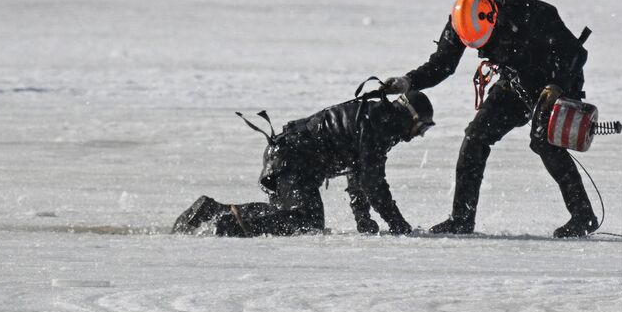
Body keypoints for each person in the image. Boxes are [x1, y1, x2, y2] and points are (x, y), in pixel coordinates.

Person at [380, 0, 596, 237]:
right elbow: (443, 64)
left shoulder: (533, 13)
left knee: (545, 142)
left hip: (556, 76)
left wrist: (556, 88)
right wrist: (408, 81)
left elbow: (576, 54)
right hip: (515, 80)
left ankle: (583, 216)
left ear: (494, 17)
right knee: (475, 137)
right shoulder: (461, 22)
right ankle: (461, 220)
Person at [172, 88, 434, 237]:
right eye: (421, 128)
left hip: (289, 159)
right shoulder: (379, 125)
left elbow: (359, 173)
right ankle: (225, 223)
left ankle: (216, 212)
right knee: (305, 222)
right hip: (291, 161)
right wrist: (399, 225)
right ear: (410, 117)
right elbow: (373, 181)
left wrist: (363, 219)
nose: (418, 136)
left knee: (293, 217)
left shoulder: (376, 118)